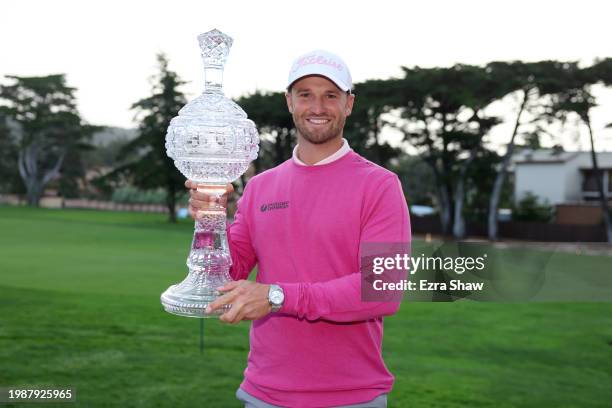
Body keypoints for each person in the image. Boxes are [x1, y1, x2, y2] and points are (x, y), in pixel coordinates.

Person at [186, 49, 411, 408]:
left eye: (331, 95)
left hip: (349, 397)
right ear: (289, 102)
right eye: (305, 94)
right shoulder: (260, 187)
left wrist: (277, 296)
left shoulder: (379, 185)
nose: (317, 106)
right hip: (264, 394)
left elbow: (382, 289)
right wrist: (211, 222)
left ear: (349, 104)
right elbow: (227, 275)